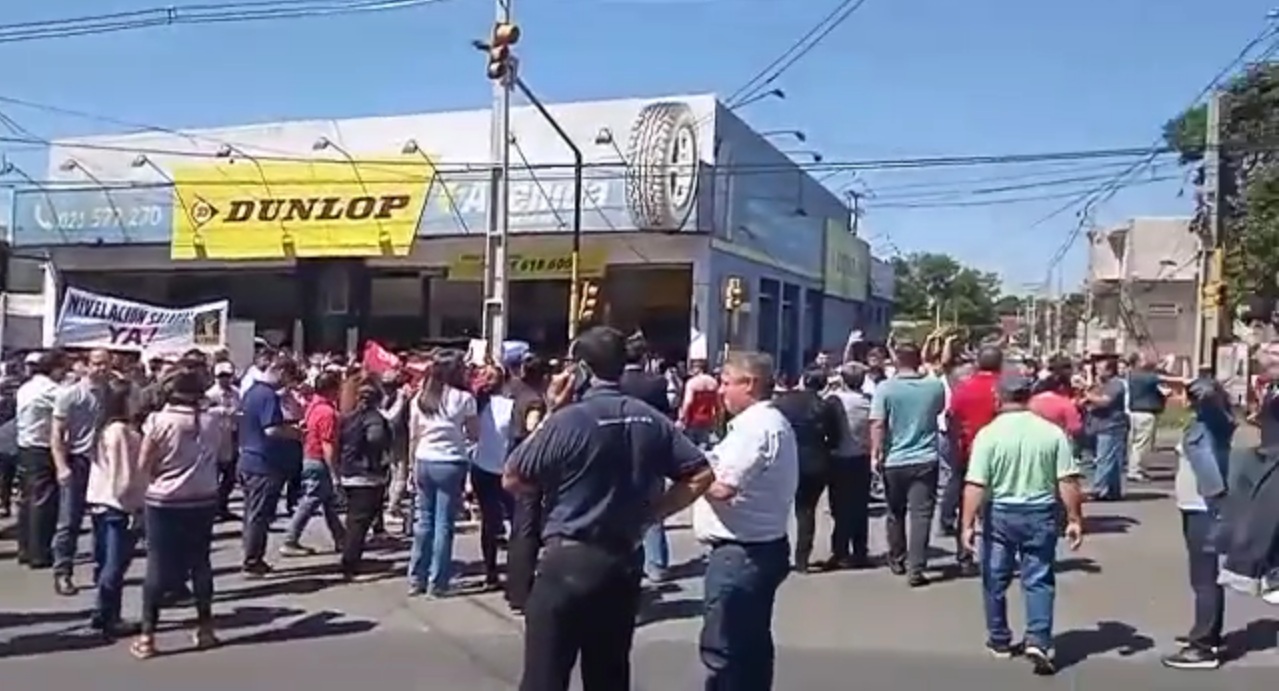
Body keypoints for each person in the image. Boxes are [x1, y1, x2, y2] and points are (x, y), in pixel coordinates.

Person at [502, 326, 714, 691]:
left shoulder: (568, 421)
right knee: (609, 674)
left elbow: (514, 476)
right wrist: (652, 513)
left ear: (582, 369)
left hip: (567, 561)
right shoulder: (650, 419)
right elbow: (700, 474)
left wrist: (552, 411)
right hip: (621, 563)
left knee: (544, 676)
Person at [961, 374, 1085, 676]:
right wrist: (1074, 518)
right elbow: (1067, 479)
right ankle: (1039, 640)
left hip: (1001, 512)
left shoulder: (988, 435)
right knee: (1039, 577)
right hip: (1040, 511)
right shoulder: (1051, 433)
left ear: (998, 397)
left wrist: (966, 524)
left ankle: (1000, 639)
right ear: (1029, 396)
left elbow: (976, 483)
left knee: (995, 576)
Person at [694, 350, 798, 690]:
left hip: (741, 552)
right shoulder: (767, 424)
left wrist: (690, 476)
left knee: (726, 647)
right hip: (760, 546)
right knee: (751, 644)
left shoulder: (754, 428)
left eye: (726, 383)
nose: (721, 391)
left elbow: (724, 487)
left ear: (749, 384)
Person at [131, 368, 223, 660]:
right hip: (203, 497)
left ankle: (147, 636)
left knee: (157, 565)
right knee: (200, 563)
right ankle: (205, 628)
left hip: (165, 500)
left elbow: (144, 463)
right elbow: (224, 455)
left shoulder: (159, 421)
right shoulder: (213, 420)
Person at [1162, 371, 1235, 670]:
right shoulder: (1211, 422)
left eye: (1186, 395)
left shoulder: (1207, 426)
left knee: (1204, 578)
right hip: (1196, 506)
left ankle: (1204, 646)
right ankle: (1206, 633)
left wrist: (1216, 497)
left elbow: (1210, 470)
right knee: (1204, 577)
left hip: (1203, 508)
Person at [870, 342, 947, 586]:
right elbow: (939, 411)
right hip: (925, 457)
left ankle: (897, 558)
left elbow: (877, 423)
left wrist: (876, 453)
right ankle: (917, 566)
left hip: (894, 459)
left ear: (895, 361)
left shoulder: (885, 388)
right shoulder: (934, 387)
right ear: (918, 360)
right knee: (921, 514)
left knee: (895, 511)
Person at [407, 350, 479, 597]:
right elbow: (474, 434)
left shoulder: (421, 397)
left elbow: (413, 435)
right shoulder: (464, 398)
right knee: (444, 525)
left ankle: (416, 577)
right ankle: (437, 582)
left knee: (423, 522)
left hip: (423, 459)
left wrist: (410, 466)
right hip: (451, 462)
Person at [85, 378, 145, 639]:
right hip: (118, 503)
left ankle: (102, 611)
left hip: (101, 501)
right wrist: (133, 505)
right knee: (115, 563)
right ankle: (110, 615)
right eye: (134, 396)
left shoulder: (105, 428)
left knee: (106, 560)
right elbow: (123, 474)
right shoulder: (120, 431)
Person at [50, 348, 111, 595]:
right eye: (97, 363)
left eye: (105, 364)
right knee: (69, 521)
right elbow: (56, 434)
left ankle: (102, 571)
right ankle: (63, 572)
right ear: (86, 365)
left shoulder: (112, 394)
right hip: (77, 461)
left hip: (104, 463)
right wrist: (61, 466)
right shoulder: (70, 395)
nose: (101, 368)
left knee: (103, 520)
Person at [237, 356, 304, 578]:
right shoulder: (267, 396)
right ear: (281, 372)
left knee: (251, 513)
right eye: (289, 377)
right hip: (263, 463)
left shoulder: (252, 392)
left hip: (248, 458)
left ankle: (251, 554)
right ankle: (252, 559)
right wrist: (297, 433)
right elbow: (272, 429)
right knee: (259, 515)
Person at [773, 367, 844, 572]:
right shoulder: (825, 406)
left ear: (803, 379)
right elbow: (836, 437)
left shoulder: (784, 402)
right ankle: (802, 558)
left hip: (786, 461)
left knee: (779, 510)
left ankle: (777, 555)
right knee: (806, 512)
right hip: (816, 462)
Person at [618, 333, 676, 583]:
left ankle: (626, 558)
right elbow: (666, 418)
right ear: (644, 358)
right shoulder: (657, 383)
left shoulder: (615, 383)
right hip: (651, 450)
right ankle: (656, 564)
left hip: (619, 450)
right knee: (653, 507)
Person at [945, 345, 1004, 577]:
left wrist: (955, 447)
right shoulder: (1006, 388)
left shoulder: (964, 388)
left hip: (968, 452)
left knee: (966, 507)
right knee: (997, 505)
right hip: (1001, 454)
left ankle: (965, 556)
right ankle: (996, 555)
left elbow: (952, 418)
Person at [280, 370, 347, 556]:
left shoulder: (312, 407)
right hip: (319, 460)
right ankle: (290, 539)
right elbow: (328, 444)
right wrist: (335, 474)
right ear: (332, 389)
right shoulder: (327, 413)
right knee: (311, 501)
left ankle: (341, 538)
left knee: (328, 503)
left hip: (309, 456)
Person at [504, 351, 550, 614]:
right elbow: (533, 430)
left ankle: (516, 588)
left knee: (522, 526)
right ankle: (521, 591)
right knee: (526, 528)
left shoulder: (518, 394)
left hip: (517, 462)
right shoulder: (534, 401)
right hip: (529, 467)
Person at [336, 377, 393, 581]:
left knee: (355, 520)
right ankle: (350, 563)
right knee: (359, 522)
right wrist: (379, 457)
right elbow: (375, 439)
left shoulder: (348, 417)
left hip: (349, 473)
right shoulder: (373, 418)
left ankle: (350, 558)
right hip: (367, 475)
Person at [15, 350, 67, 569]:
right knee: (43, 502)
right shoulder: (52, 390)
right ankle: (39, 552)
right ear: (54, 368)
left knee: (28, 500)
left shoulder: (26, 387)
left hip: (25, 446)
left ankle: (25, 548)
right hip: (42, 447)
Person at [825, 363, 874, 568]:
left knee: (839, 507)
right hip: (862, 457)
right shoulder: (869, 402)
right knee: (860, 506)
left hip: (839, 457)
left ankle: (840, 550)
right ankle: (860, 550)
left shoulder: (834, 401)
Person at [473, 363, 515, 588]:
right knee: (515, 520)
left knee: (489, 522)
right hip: (505, 468)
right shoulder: (511, 407)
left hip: (482, 466)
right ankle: (516, 567)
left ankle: (491, 571)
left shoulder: (477, 404)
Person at [1085, 357, 1130, 501]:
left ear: (1110, 370)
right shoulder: (1100, 384)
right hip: (1099, 425)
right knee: (1112, 460)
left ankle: (1098, 489)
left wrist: (1088, 396)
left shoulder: (1116, 384)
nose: (1097, 372)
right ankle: (1112, 491)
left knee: (1105, 459)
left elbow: (1105, 401)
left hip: (1112, 426)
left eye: (1100, 369)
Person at [205, 361, 242, 522]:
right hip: (216, 437)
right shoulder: (211, 395)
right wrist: (221, 411)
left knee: (230, 475)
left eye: (227, 376)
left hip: (232, 435)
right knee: (214, 475)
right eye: (221, 376)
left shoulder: (236, 393)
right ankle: (213, 507)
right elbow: (204, 412)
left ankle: (222, 505)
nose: (224, 379)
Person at [679, 359, 720, 449]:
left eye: (693, 368)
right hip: (708, 419)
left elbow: (688, 402)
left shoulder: (692, 382)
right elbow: (717, 403)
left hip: (693, 418)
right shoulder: (714, 382)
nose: (692, 371)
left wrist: (682, 417)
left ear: (699, 369)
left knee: (691, 446)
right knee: (704, 443)